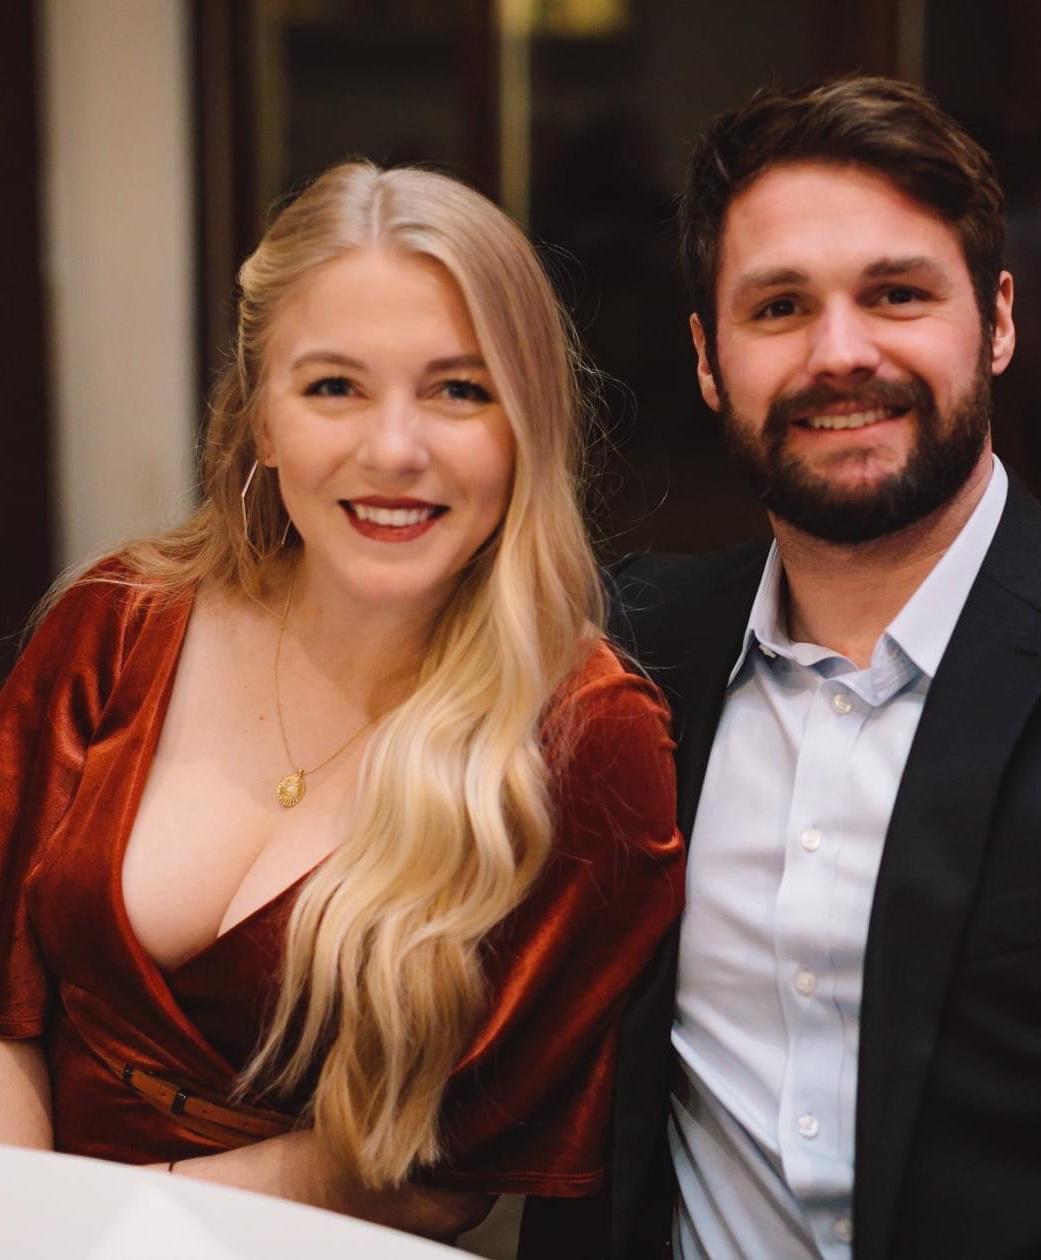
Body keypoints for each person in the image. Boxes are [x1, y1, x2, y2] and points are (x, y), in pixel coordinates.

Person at [586, 76, 1041, 1259]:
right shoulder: (630, 649)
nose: (841, 353)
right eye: (779, 306)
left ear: (996, 320)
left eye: (897, 294)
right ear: (706, 358)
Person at [0, 162, 684, 1242]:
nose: (394, 450)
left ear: (526, 427)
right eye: (334, 388)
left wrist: (111, 1231)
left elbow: (448, 1165)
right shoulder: (115, 624)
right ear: (262, 423)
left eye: (459, 391)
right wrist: (27, 1220)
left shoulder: (587, 737)